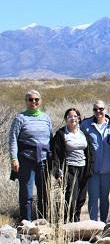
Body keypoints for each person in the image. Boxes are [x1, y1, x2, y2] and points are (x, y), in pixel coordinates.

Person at [9, 90, 53, 221]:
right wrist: (14, 158)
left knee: (44, 193)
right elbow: (12, 139)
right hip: (26, 159)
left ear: (41, 101)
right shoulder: (20, 118)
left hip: (44, 160)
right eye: (30, 99)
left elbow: (51, 138)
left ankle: (43, 222)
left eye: (36, 99)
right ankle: (25, 223)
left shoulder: (46, 118)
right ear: (26, 101)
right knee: (26, 194)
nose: (33, 102)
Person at [51, 108, 95, 222]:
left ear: (79, 118)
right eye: (70, 116)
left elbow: (90, 151)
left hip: (83, 168)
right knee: (71, 196)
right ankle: (68, 221)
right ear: (66, 119)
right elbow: (55, 154)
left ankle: (76, 219)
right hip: (69, 169)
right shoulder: (61, 134)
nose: (73, 118)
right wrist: (57, 171)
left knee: (81, 197)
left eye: (75, 116)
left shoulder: (83, 133)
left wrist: (90, 168)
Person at [80, 100, 110, 222]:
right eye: (95, 109)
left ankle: (103, 223)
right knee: (93, 197)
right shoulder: (85, 125)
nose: (98, 112)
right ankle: (93, 224)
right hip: (92, 169)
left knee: (104, 197)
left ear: (106, 110)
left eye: (101, 109)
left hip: (108, 169)